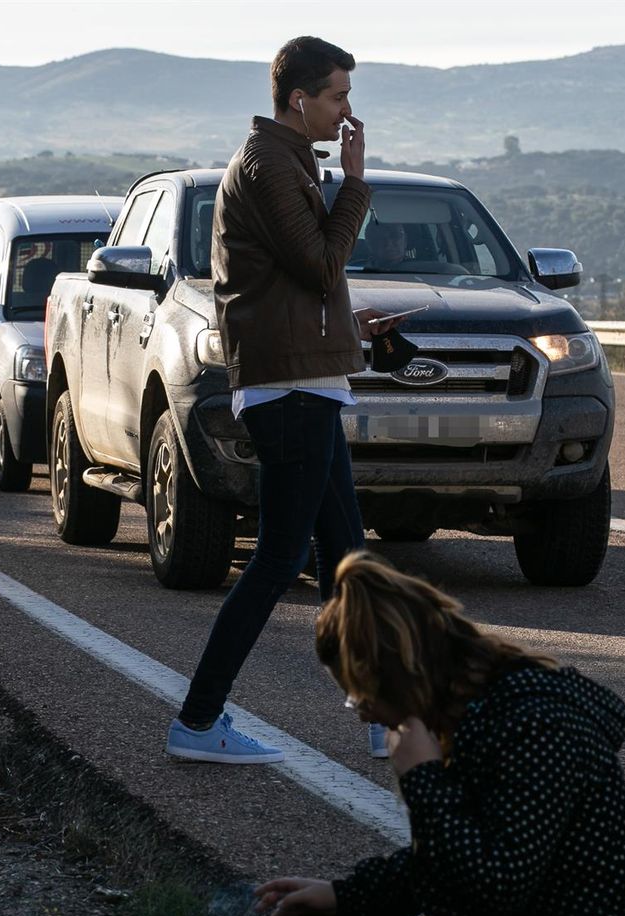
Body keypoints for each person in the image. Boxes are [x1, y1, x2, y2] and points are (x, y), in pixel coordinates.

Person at [257, 552, 625, 916]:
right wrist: (344, 894)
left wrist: (424, 780)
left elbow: (495, 886)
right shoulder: (473, 711)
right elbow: (451, 865)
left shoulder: (535, 725)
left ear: (395, 676)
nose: (364, 714)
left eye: (360, 697)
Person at [167, 36, 399, 764]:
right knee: (278, 557)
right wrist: (356, 184)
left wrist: (347, 326)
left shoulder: (287, 162)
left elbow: (294, 286)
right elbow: (322, 259)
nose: (347, 110)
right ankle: (199, 721)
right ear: (299, 100)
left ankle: (381, 713)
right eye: (337, 96)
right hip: (290, 389)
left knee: (347, 555)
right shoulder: (270, 166)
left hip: (306, 378)